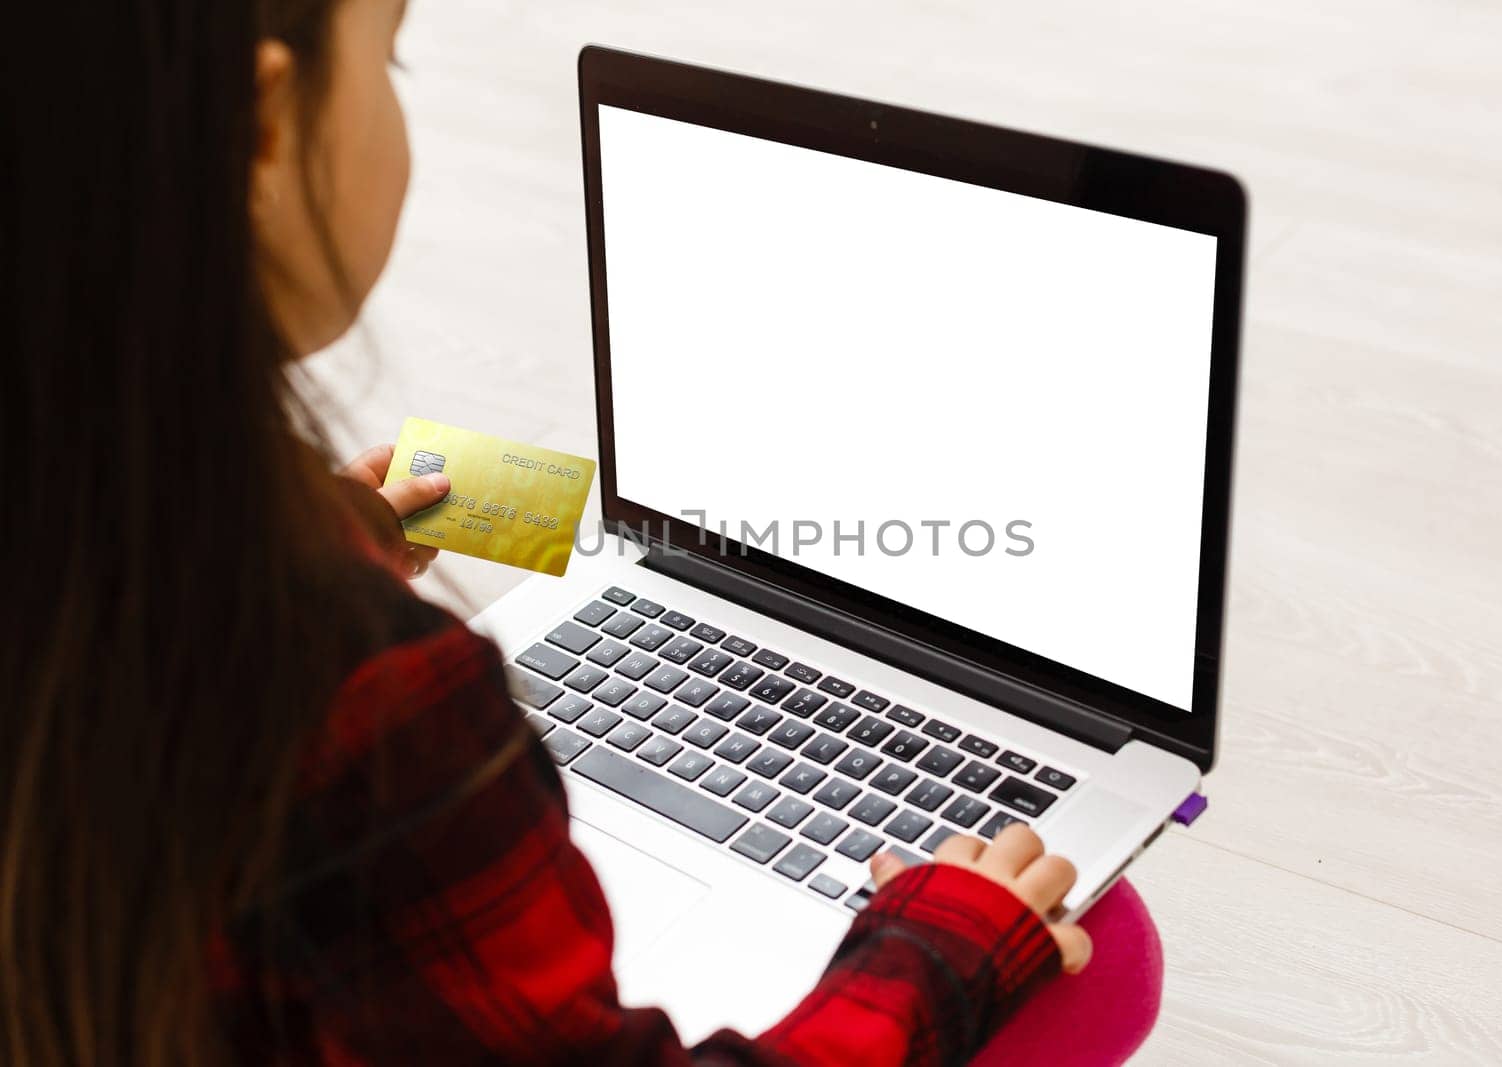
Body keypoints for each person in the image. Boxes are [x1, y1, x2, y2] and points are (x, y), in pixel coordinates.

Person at [0, 0, 1161, 1063]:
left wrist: (326, 526)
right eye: (388, 50)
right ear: (258, 131)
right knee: (1100, 942)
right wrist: (938, 953)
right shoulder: (371, 701)